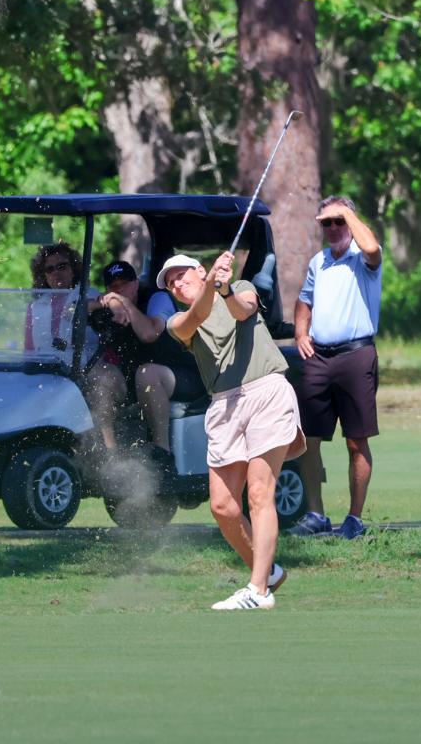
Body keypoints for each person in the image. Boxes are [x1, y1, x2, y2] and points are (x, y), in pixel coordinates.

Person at [161, 251, 305, 610]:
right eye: (170, 283)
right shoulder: (177, 321)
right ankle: (267, 571)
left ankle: (258, 591)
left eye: (181, 275)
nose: (177, 284)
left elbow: (243, 309)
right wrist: (212, 285)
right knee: (223, 506)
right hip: (224, 405)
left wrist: (224, 287)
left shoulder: (240, 287)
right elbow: (196, 317)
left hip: (265, 392)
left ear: (199, 269)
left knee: (258, 494)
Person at [289, 195, 382, 539]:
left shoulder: (364, 258)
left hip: (356, 357)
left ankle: (354, 519)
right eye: (325, 222)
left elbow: (370, 244)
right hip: (319, 358)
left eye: (338, 221)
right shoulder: (320, 262)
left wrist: (347, 213)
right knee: (306, 439)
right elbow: (304, 300)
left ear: (351, 220)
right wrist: (301, 332)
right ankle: (316, 514)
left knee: (356, 442)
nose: (331, 228)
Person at [97, 261, 206, 456]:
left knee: (147, 373)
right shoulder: (109, 302)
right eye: (114, 287)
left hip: (185, 374)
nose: (120, 289)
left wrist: (127, 305)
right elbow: (76, 308)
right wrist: (112, 302)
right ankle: (109, 454)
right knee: (102, 377)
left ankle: (161, 452)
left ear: (137, 283)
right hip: (140, 380)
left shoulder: (158, 298)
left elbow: (149, 334)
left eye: (125, 283)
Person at [28, 243, 127, 450]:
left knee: (101, 383)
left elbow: (112, 303)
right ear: (42, 274)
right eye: (49, 269)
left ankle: (110, 453)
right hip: (48, 372)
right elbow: (28, 351)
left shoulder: (90, 294)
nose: (56, 272)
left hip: (88, 367)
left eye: (62, 266)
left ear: (73, 269)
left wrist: (113, 306)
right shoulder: (36, 305)